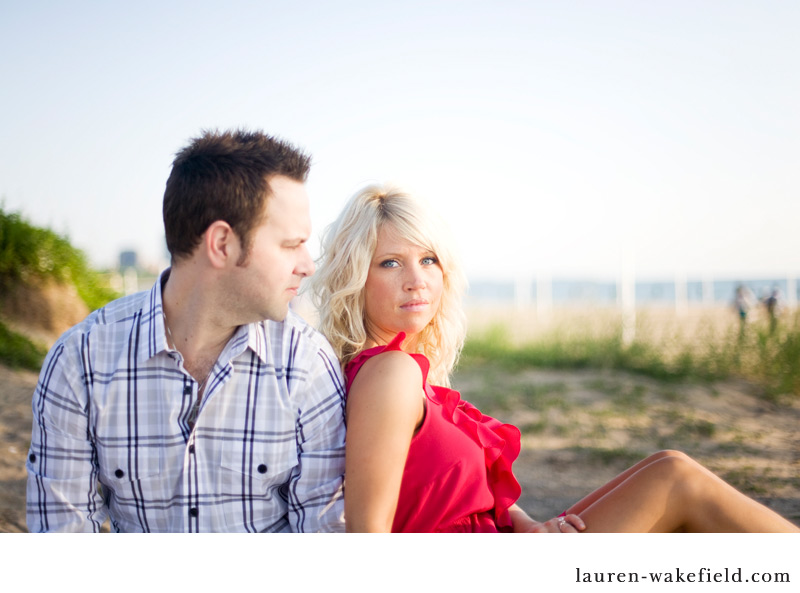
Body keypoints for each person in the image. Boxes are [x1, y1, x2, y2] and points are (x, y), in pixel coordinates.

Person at [311, 184, 800, 533]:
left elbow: (452, 493)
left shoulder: (408, 373)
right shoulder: (388, 374)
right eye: (390, 263)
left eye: (429, 260)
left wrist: (523, 524)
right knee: (675, 481)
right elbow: (370, 541)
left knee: (668, 464)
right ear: (355, 278)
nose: (416, 279)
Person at [27, 130, 346, 532]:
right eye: (290, 244)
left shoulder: (307, 364)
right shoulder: (81, 362)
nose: (307, 264)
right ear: (222, 244)